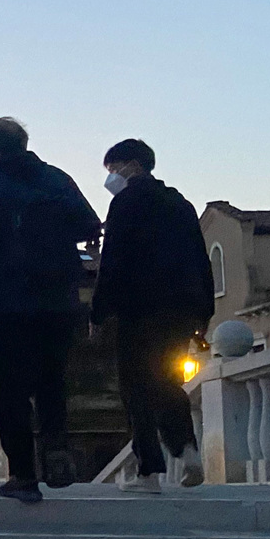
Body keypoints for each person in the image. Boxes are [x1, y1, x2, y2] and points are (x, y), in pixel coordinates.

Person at [0, 118, 101, 504]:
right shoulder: (57, 179)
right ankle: (55, 447)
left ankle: (23, 473)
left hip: (6, 305)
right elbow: (90, 223)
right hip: (57, 302)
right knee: (52, 380)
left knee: (11, 391)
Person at [91, 138, 211, 493]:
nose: (111, 177)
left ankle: (149, 472)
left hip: (137, 308)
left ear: (130, 165)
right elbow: (200, 260)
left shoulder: (125, 203)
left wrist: (98, 311)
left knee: (135, 386)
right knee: (165, 378)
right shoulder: (180, 204)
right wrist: (204, 312)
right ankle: (187, 448)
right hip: (180, 310)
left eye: (113, 169)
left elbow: (111, 261)